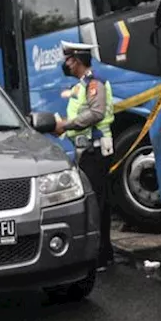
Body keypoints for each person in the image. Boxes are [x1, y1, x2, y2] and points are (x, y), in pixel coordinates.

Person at [52, 41, 115, 270]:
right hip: (87, 149)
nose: (65, 64)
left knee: (97, 203)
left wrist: (66, 125)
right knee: (96, 201)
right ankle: (102, 253)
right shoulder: (82, 85)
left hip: (96, 150)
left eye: (68, 59)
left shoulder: (94, 83)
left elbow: (96, 113)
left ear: (76, 60)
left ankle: (101, 255)